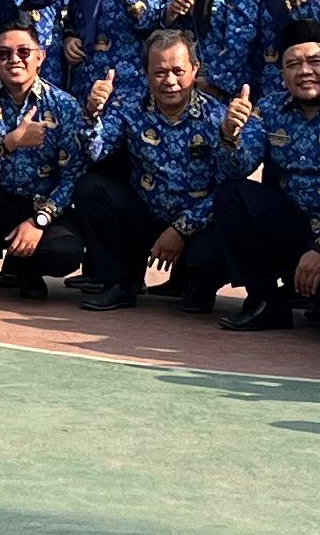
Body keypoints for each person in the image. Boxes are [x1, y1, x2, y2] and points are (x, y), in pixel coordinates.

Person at [66, 25, 256, 318]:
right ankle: (119, 283)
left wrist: (182, 228)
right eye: (159, 72)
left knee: (214, 245)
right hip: (147, 216)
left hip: (199, 223)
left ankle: (198, 285)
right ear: (146, 73)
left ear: (195, 70)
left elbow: (231, 183)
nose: (170, 81)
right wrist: (92, 115)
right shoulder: (129, 109)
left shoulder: (219, 117)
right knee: (91, 188)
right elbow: (95, 152)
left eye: (178, 71)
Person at [222, 21, 320, 331]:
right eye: (293, 64)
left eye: (315, 62)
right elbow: (238, 167)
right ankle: (267, 301)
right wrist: (230, 135)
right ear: (282, 74)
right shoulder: (269, 108)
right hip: (291, 226)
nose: (304, 71)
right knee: (232, 195)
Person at [0, 15, 91, 298]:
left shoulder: (64, 105)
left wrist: (40, 220)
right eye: (4, 53)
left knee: (65, 252)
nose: (14, 60)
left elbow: (73, 176)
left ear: (40, 57)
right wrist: (10, 142)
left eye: (24, 52)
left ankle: (25, 268)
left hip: (39, 205)